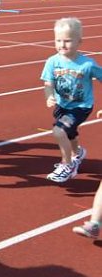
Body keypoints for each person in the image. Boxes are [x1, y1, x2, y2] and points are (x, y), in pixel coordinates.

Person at [40, 17, 101, 183]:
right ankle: (77, 153)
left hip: (81, 106)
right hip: (62, 105)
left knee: (59, 131)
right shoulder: (52, 62)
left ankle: (68, 165)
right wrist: (49, 96)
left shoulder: (87, 64)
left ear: (79, 41)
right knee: (70, 132)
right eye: (58, 40)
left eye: (67, 41)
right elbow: (48, 83)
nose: (62, 45)